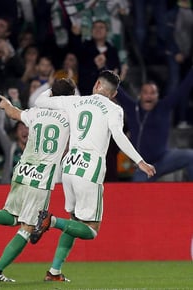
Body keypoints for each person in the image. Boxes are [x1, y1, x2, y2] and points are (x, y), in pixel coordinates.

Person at [30, 70, 156, 282]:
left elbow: (41, 101)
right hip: (89, 170)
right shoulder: (114, 109)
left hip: (68, 167)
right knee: (90, 230)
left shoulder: (75, 101)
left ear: (97, 84)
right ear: (114, 93)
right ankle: (51, 221)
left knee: (74, 222)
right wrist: (139, 161)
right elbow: (118, 136)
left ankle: (54, 271)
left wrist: (54, 88)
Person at [0, 78, 75, 282]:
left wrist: (6, 104)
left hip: (22, 170)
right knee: (27, 228)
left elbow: (14, 113)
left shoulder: (36, 112)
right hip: (41, 177)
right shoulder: (70, 116)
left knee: (12, 215)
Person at [115, 67, 193, 181]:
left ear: (157, 96)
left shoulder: (164, 106)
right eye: (145, 93)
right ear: (140, 95)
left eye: (153, 93)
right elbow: (118, 92)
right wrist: (103, 69)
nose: (149, 96)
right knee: (136, 192)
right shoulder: (132, 108)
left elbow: (183, 89)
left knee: (191, 156)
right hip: (143, 167)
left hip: (163, 159)